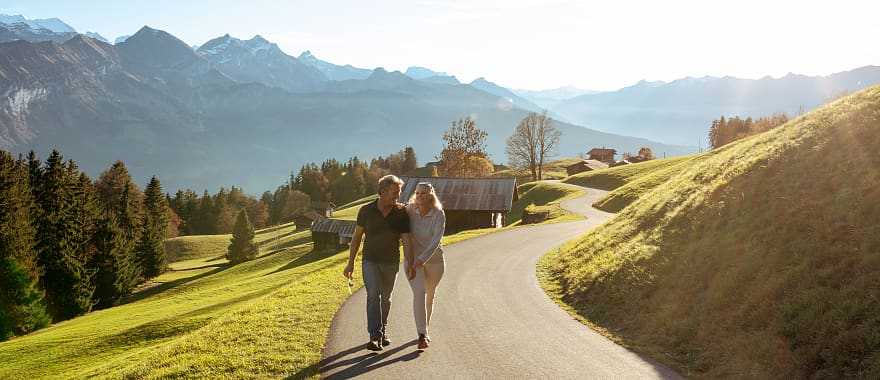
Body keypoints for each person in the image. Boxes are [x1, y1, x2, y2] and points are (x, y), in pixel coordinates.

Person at [343, 175, 411, 351]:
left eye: (399, 192)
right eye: (395, 192)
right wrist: (350, 263)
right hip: (370, 260)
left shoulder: (401, 212)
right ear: (382, 191)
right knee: (373, 295)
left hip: (391, 262)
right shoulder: (366, 211)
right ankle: (374, 336)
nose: (398, 195)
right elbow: (357, 237)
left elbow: (407, 240)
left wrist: (410, 262)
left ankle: (383, 330)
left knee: (386, 299)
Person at [405, 182, 446, 350]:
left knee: (430, 295)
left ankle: (425, 329)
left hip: (435, 260)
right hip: (414, 262)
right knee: (419, 293)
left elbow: (436, 240)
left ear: (430, 195)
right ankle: (422, 335)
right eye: (417, 193)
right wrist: (415, 260)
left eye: (423, 193)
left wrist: (423, 258)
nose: (419, 196)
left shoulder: (438, 214)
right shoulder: (409, 210)